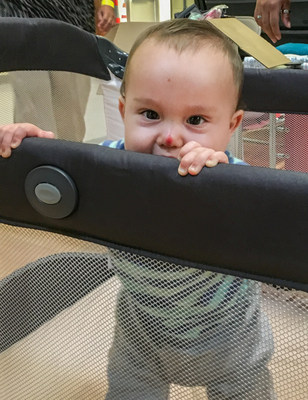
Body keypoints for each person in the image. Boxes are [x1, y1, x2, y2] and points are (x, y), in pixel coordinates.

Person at [0, 19, 276, 399]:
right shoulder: (108, 166)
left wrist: (221, 185)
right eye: (150, 114)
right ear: (124, 109)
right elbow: (65, 168)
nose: (169, 137)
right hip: (141, 335)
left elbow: (264, 227)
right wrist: (32, 146)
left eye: (196, 120)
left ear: (232, 126)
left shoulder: (234, 179)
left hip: (231, 342)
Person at [0, 0, 116, 141]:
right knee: (32, 115)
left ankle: (68, 159)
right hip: (24, 18)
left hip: (74, 24)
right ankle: (37, 160)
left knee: (71, 118)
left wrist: (107, 3)